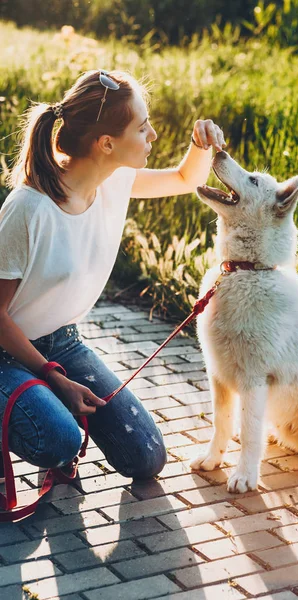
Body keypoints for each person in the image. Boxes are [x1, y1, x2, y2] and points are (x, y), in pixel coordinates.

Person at [0, 68, 226, 483]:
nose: (153, 136)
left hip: (62, 344)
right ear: (107, 144)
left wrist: (200, 144)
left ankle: (42, 398)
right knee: (60, 441)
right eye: (143, 128)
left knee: (146, 456)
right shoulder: (28, 209)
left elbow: (184, 178)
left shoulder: (114, 182)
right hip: (4, 353)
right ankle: (35, 402)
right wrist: (52, 376)